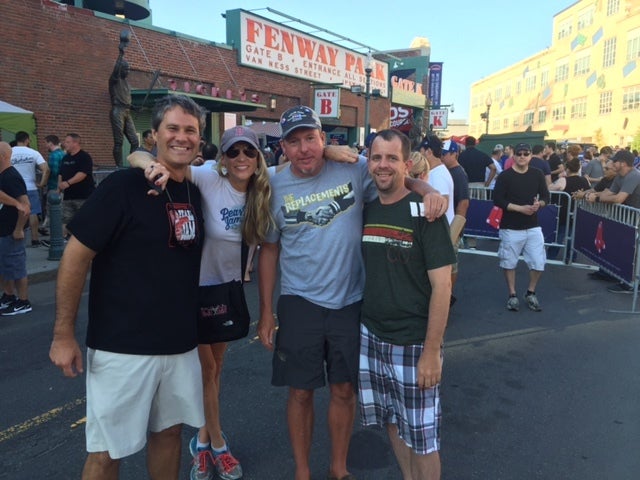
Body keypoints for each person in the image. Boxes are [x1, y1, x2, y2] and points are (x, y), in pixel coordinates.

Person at [257, 106, 446, 480]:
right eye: (293, 142)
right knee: (300, 392)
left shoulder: (354, 169)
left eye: (310, 139)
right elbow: (270, 249)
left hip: (350, 301)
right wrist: (265, 311)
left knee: (344, 390)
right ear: (283, 147)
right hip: (299, 301)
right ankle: (302, 470)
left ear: (323, 139)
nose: (303, 148)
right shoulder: (274, 186)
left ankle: (339, 468)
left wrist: (427, 189)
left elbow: (393, 175)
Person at [48, 95, 206, 479]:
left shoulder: (194, 191)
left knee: (169, 435)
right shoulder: (123, 186)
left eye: (190, 131)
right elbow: (75, 256)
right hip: (122, 347)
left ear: (200, 142)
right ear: (154, 135)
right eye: (173, 128)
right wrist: (62, 334)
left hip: (180, 345)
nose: (181, 137)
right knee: (106, 452)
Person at [129, 125, 273, 480]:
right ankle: (219, 445)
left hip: (227, 291)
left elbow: (308, 163)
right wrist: (148, 163)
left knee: (216, 370)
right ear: (222, 158)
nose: (241, 158)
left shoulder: (264, 190)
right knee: (207, 371)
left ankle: (202, 440)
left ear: (258, 158)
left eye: (248, 152)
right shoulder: (209, 178)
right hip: (192, 290)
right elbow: (138, 155)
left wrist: (332, 150)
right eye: (233, 152)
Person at [359, 129, 455, 480]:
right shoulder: (367, 208)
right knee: (392, 423)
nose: (383, 165)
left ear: (407, 163)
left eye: (392, 158)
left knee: (423, 439)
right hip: (371, 336)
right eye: (377, 157)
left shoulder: (425, 213)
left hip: (413, 342)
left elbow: (442, 286)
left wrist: (431, 351)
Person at [493, 143, 549, 312]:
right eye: (519, 153)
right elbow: (498, 199)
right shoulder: (505, 176)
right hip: (510, 227)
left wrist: (540, 204)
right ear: (514, 156)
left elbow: (546, 196)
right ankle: (512, 294)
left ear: (531, 155)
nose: (522, 156)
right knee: (509, 262)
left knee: (539, 262)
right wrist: (520, 208)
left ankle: (530, 292)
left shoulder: (537, 174)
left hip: (533, 226)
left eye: (526, 153)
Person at [585, 149, 640, 294]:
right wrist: (589, 194)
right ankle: (626, 280)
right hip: (631, 219)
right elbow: (608, 192)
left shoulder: (634, 176)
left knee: (635, 252)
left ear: (622, 163)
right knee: (629, 250)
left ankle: (632, 284)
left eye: (614, 161)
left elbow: (618, 199)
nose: (611, 163)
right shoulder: (620, 176)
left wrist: (595, 198)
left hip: (636, 218)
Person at [0, 141, 32, 316]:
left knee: (16, 266)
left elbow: (25, 206)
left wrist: (19, 229)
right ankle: (9, 296)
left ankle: (23, 301)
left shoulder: (11, 176)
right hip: (3, 229)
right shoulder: (2, 175)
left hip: (12, 229)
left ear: (3, 156)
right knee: (3, 266)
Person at [441, 139, 469, 306]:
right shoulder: (448, 171)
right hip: (448, 225)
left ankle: (448, 296)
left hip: (452, 227)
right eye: (441, 154)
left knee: (452, 264)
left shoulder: (458, 173)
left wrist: (455, 231)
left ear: (454, 154)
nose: (442, 157)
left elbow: (463, 202)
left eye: (445, 154)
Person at [10, 131, 49, 246]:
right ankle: (35, 239)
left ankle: (15, 234)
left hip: (13, 188)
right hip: (30, 187)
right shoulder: (33, 153)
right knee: (33, 213)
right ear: (27, 140)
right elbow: (46, 170)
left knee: (14, 212)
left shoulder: (9, 152)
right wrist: (42, 184)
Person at [547, 157, 590, 261]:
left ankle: (551, 255)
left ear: (568, 169)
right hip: (579, 210)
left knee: (560, 233)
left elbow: (549, 188)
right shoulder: (584, 180)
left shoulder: (563, 180)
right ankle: (571, 256)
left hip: (564, 211)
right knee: (573, 234)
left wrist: (558, 178)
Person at [109, 32, 139, 167]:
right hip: (117, 111)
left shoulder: (127, 84)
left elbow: (126, 101)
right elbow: (115, 70)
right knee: (119, 141)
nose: (128, 71)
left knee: (134, 141)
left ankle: (131, 163)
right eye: (126, 69)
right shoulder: (114, 80)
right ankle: (119, 166)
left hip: (126, 111)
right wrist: (121, 52)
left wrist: (135, 108)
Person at [58, 133, 95, 237]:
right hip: (68, 196)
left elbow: (82, 174)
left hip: (83, 196)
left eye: (67, 142)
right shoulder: (65, 158)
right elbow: (60, 174)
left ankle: (85, 241)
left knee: (84, 220)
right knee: (65, 219)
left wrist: (68, 183)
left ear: (75, 143)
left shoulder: (84, 157)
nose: (65, 144)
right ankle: (64, 240)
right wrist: (59, 188)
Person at [40, 135, 65, 236]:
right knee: (60, 208)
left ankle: (54, 232)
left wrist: (44, 181)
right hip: (63, 186)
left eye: (46, 143)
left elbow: (53, 171)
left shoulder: (53, 156)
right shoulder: (63, 154)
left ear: (50, 143)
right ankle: (45, 227)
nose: (45, 145)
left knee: (52, 208)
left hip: (54, 186)